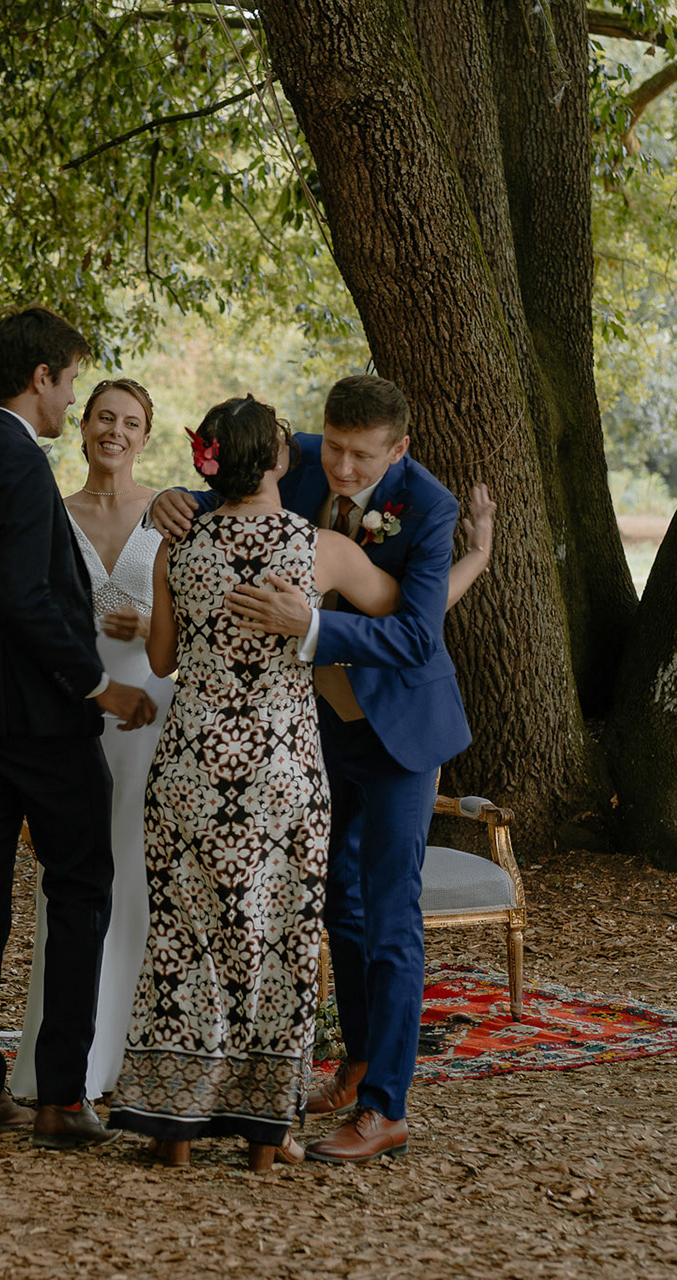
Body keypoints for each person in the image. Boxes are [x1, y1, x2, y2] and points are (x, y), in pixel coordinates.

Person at [149, 373, 476, 1163]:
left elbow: (417, 637)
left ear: (398, 450)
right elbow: (225, 481)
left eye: (362, 456)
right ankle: (355, 1062)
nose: (341, 468)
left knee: (391, 916)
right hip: (314, 733)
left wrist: (313, 627)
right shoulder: (289, 456)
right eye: (332, 447)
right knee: (337, 906)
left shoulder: (430, 508)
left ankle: (386, 1107)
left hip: (399, 733)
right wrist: (169, 497)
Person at [112, 395, 401, 1171]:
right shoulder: (318, 549)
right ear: (276, 460)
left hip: (192, 765)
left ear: (210, 462)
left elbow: (163, 660)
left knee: (186, 940)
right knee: (279, 943)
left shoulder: (178, 546)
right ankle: (266, 1140)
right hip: (281, 768)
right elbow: (393, 605)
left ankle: (174, 1131)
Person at [0, 306, 158, 1151]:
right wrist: (98, 687)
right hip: (41, 718)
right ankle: (61, 1095)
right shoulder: (22, 465)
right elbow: (27, 597)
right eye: (70, 382)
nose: (69, 400)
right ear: (41, 378)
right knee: (82, 883)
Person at [8, 377, 177, 1104]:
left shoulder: (169, 514)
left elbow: (202, 613)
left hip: (150, 710)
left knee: (138, 873)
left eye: (130, 422)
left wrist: (152, 625)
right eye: (104, 417)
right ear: (82, 428)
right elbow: (25, 601)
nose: (115, 431)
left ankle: (133, 1052)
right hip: (73, 712)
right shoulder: (53, 512)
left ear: (146, 436)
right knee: (70, 878)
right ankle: (64, 1062)